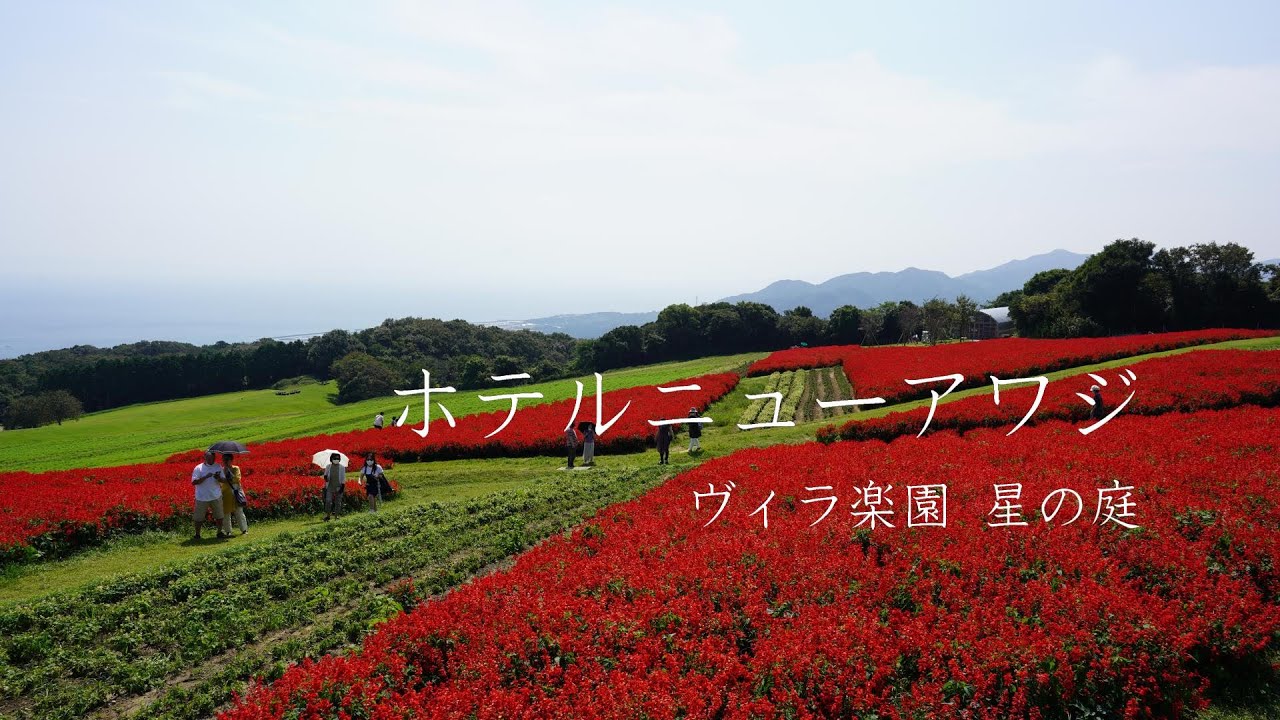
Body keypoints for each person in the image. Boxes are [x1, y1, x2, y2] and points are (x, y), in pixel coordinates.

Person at [191, 451, 228, 540]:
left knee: (219, 516)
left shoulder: (218, 466)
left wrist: (218, 478)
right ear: (205, 458)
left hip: (216, 495)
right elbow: (194, 482)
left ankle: (219, 532)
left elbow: (224, 480)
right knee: (199, 517)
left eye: (212, 458)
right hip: (202, 497)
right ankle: (197, 535)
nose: (211, 459)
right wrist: (205, 477)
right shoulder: (199, 468)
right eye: (209, 458)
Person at [218, 452, 249, 535]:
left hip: (235, 493)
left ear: (231, 460)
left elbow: (237, 479)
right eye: (223, 460)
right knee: (226, 513)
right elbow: (220, 481)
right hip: (225, 493)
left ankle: (244, 530)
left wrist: (228, 473)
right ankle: (228, 531)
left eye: (227, 460)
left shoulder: (235, 468)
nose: (224, 461)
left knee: (239, 512)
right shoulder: (221, 470)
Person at [322, 453, 346, 520]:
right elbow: (325, 475)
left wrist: (342, 486)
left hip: (339, 486)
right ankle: (328, 515)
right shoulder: (328, 467)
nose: (336, 460)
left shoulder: (342, 467)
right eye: (334, 458)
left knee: (338, 502)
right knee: (328, 501)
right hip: (330, 486)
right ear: (331, 459)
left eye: (338, 458)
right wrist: (326, 477)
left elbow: (343, 477)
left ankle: (336, 516)